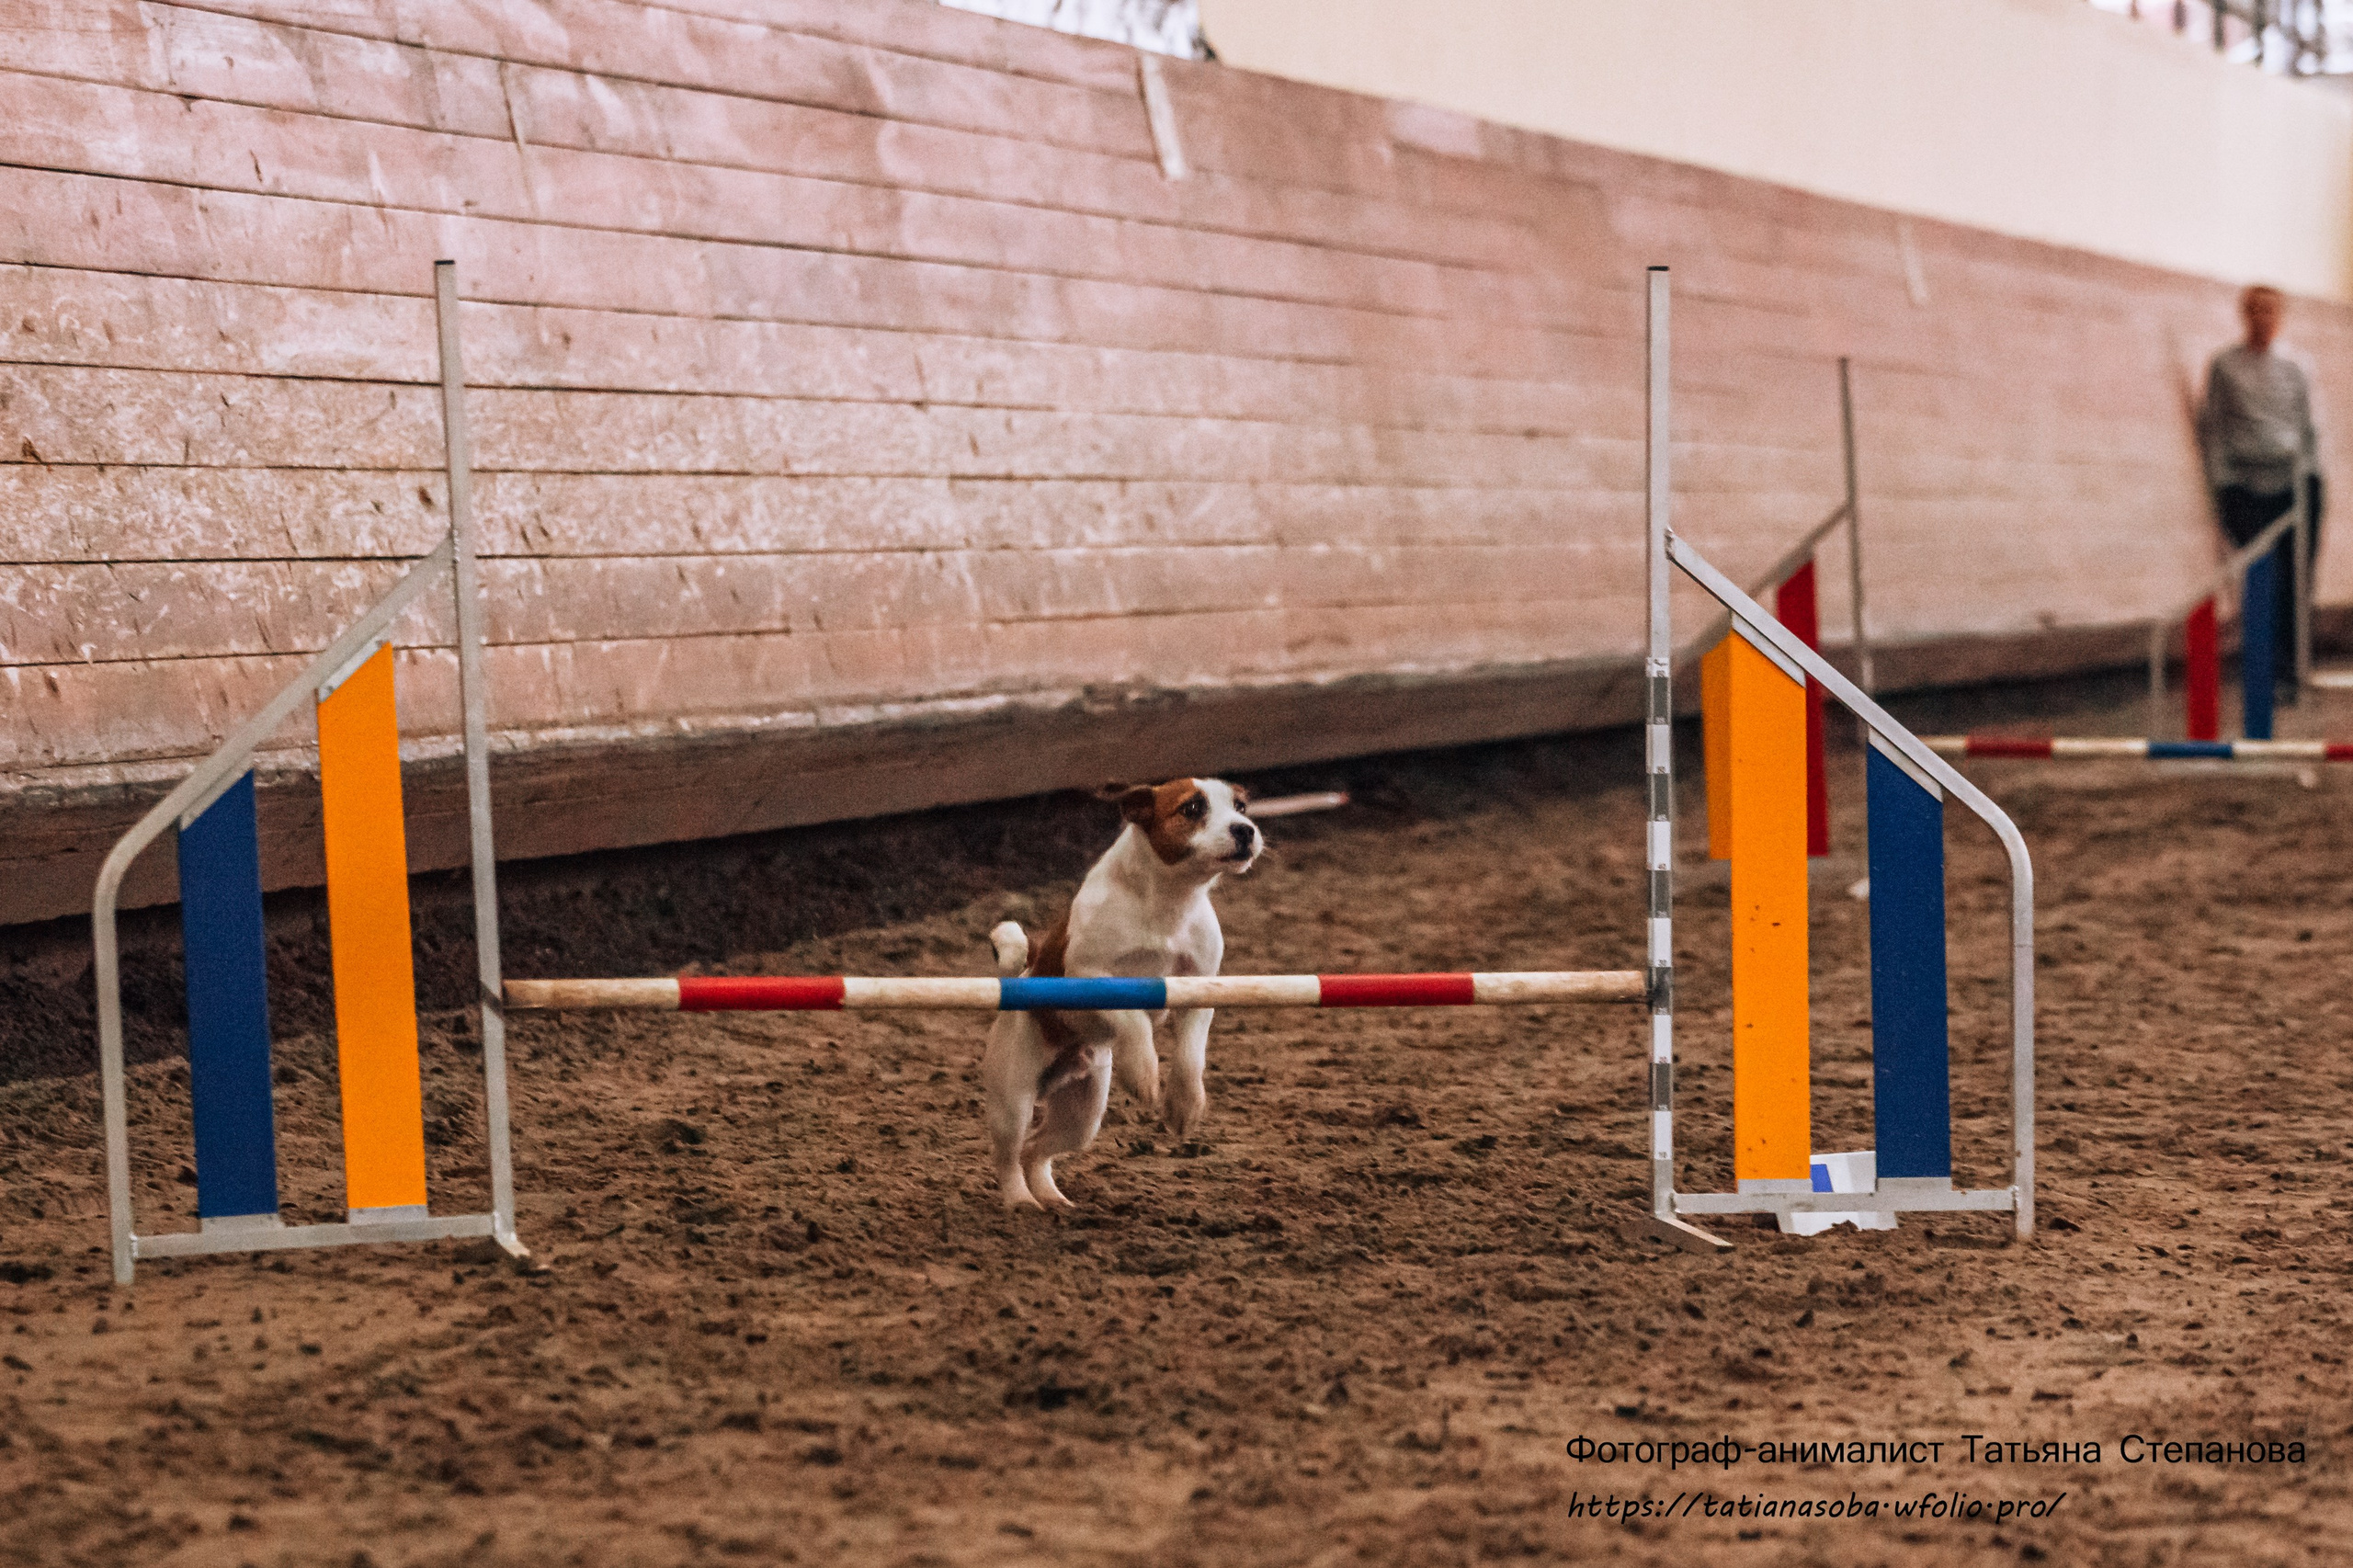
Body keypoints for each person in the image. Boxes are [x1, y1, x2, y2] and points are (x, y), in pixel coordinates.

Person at [2197, 283, 2324, 701]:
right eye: (2255, 311)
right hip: (2245, 485)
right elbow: (2212, 426)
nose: (2262, 319)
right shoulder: (2225, 366)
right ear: (2244, 314)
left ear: (2280, 317)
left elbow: (2311, 430)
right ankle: (2260, 670)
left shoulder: (2297, 366)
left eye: (2270, 312)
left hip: (2295, 484)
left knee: (2294, 581)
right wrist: (2223, 485)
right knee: (2259, 578)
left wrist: (2307, 484)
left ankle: (2292, 671)